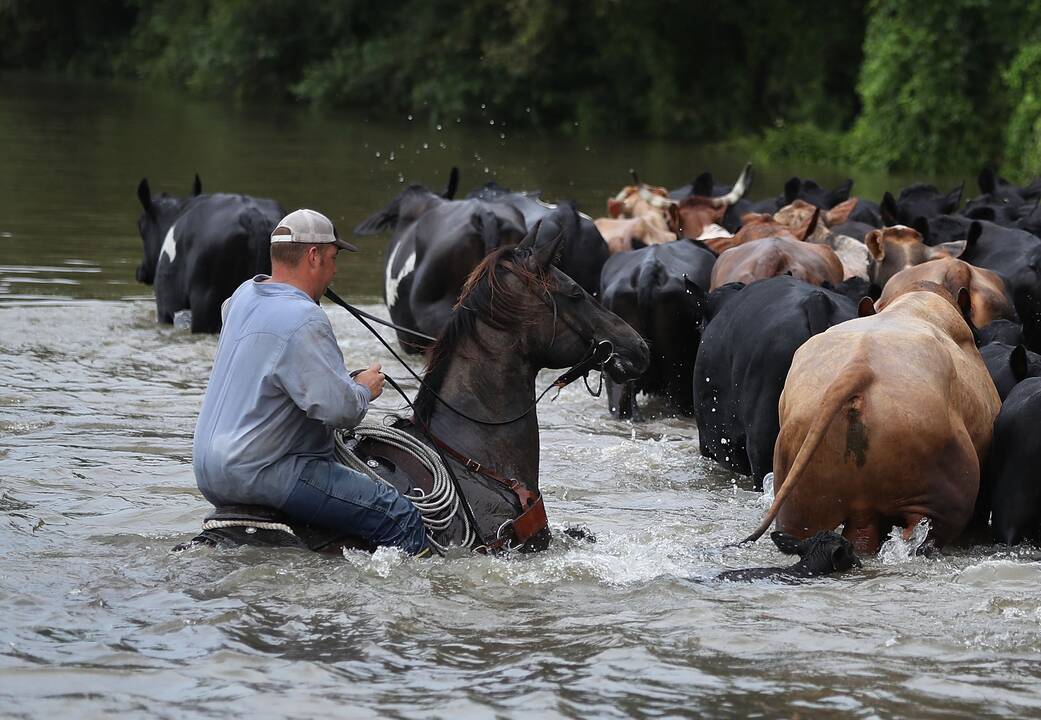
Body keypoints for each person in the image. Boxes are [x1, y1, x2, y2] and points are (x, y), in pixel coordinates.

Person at [192, 208, 429, 555]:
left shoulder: (241, 297)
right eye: (333, 259)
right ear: (313, 255)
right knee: (401, 517)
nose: (334, 271)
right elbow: (340, 412)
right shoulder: (305, 318)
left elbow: (270, 368)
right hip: (265, 471)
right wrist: (364, 389)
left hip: (209, 471)